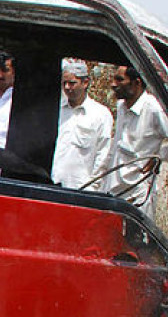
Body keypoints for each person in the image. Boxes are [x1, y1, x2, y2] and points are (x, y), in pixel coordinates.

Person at [104, 65, 168, 219]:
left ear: (136, 83)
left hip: (137, 191)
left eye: (120, 80)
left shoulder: (153, 109)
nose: (113, 84)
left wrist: (158, 157)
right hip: (114, 186)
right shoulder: (121, 106)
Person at [51, 61, 113, 190]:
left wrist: (92, 188)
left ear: (85, 83)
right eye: (64, 83)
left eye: (72, 83)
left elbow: (103, 155)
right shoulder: (57, 110)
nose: (67, 87)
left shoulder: (100, 115)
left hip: (80, 189)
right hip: (53, 184)